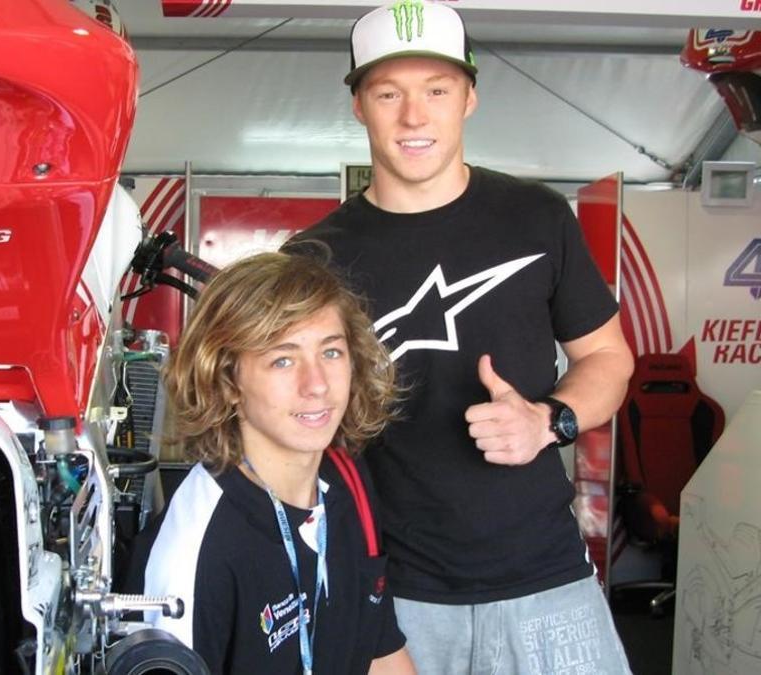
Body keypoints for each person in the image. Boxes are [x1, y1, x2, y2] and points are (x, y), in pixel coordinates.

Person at [281, 1, 637, 673]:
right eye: (389, 93)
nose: (413, 117)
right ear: (359, 105)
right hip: (396, 593)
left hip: (548, 578)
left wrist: (548, 419)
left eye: (436, 90)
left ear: (469, 97)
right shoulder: (312, 260)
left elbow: (608, 357)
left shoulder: (537, 218)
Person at [127, 252, 417, 674]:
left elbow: (382, 652)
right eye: (283, 359)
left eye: (331, 353)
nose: (316, 384)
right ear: (226, 381)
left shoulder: (347, 480)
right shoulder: (193, 552)